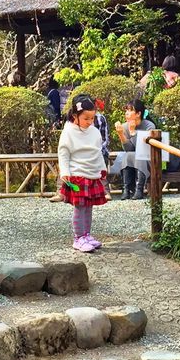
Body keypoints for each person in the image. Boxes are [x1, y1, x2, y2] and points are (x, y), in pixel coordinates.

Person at [58, 94, 109, 253]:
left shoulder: (94, 132)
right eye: (86, 118)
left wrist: (102, 168)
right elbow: (63, 153)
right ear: (75, 116)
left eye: (92, 118)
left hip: (92, 175)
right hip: (77, 176)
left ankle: (86, 235)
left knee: (89, 207)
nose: (89, 122)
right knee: (80, 208)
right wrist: (64, 171)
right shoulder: (68, 132)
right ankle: (78, 238)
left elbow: (98, 152)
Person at [114, 99, 155, 199]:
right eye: (126, 111)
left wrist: (133, 132)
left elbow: (143, 149)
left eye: (130, 111)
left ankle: (139, 189)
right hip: (132, 160)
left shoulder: (149, 126)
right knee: (128, 154)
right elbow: (129, 149)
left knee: (137, 155)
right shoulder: (124, 127)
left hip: (149, 159)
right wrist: (121, 134)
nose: (126, 114)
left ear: (138, 113)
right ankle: (126, 190)